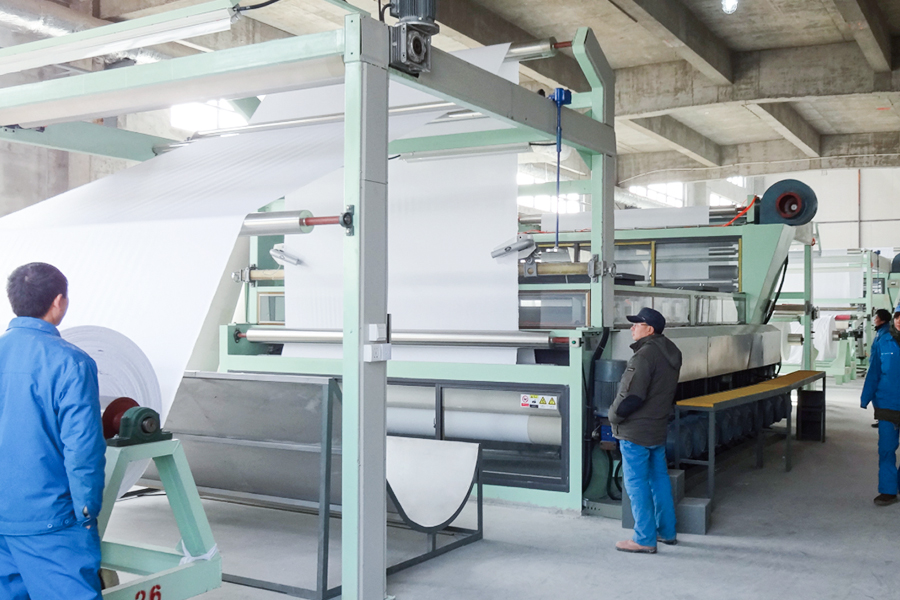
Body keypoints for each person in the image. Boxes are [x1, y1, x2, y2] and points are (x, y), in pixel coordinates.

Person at [0, 263, 105, 599]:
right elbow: (83, 449)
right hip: (50, 521)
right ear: (59, 301)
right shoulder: (71, 362)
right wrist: (86, 511)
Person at [609, 307, 683, 553]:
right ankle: (667, 531)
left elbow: (632, 396)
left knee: (636, 483)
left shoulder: (643, 356)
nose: (632, 328)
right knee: (659, 479)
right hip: (657, 427)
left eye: (637, 324)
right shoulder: (671, 352)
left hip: (636, 431)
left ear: (649, 329)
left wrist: (613, 416)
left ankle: (644, 538)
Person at [861, 310, 900, 507]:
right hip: (888, 404)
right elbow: (874, 371)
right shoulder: (883, 340)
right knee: (886, 449)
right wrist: (865, 396)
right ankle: (888, 491)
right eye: (898, 316)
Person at [869, 309, 892, 428]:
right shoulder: (881, 331)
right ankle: (882, 418)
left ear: (882, 320)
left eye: (876, 317)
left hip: (882, 369)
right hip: (878, 366)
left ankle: (884, 419)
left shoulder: (885, 333)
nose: (874, 319)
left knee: (880, 394)